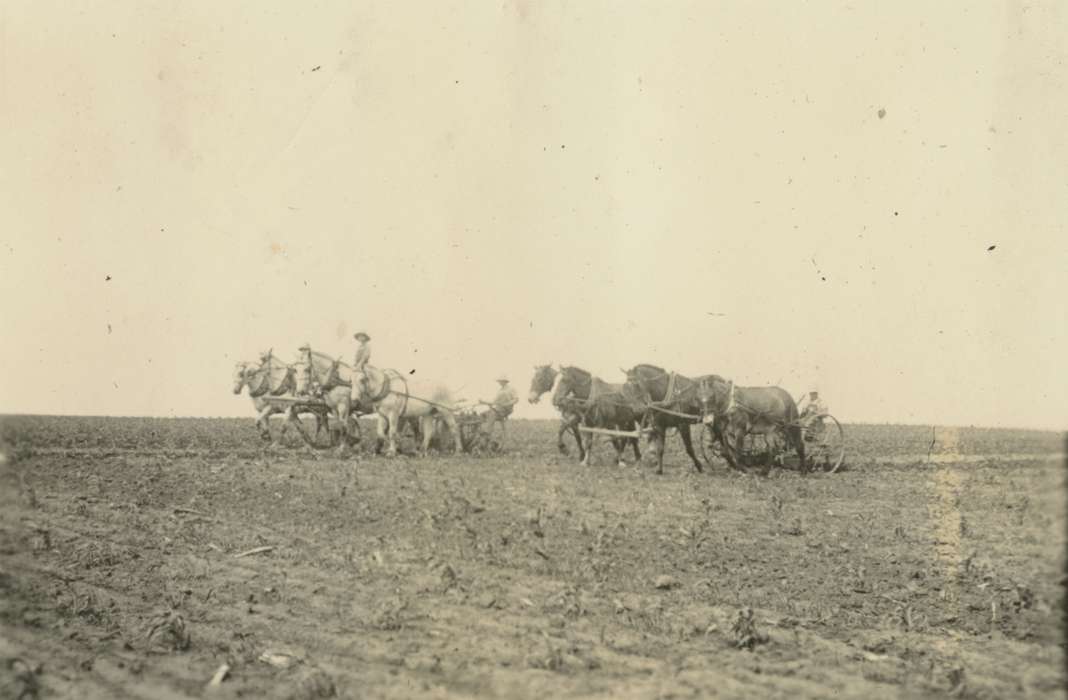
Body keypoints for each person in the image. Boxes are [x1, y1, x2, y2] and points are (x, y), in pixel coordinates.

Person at [351, 332, 372, 405]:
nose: (360, 338)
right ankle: (353, 396)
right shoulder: (359, 347)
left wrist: (359, 365)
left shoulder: (367, 346)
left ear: (365, 338)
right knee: (352, 378)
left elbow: (365, 356)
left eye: (362, 336)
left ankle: (360, 397)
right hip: (357, 366)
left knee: (360, 378)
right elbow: (356, 357)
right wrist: (354, 365)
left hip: (364, 365)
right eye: (359, 337)